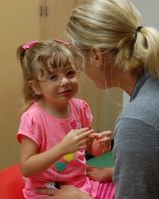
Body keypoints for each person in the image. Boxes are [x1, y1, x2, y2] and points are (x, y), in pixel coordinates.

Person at [38, 0, 159, 198]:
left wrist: (81, 197)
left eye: (77, 60)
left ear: (96, 55)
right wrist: (119, 173)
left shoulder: (138, 122)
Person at [16, 39, 115, 199]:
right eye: (53, 77)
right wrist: (62, 148)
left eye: (70, 73)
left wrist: (100, 146)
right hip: (47, 190)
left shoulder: (80, 108)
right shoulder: (33, 118)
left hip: (79, 183)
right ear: (35, 86)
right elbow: (26, 168)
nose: (65, 81)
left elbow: (90, 147)